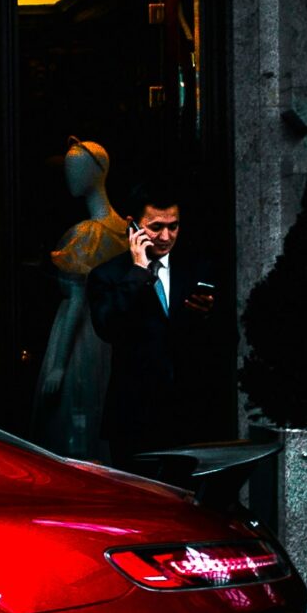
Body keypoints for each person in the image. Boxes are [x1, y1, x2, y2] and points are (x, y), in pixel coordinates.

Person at [86, 175, 221, 465]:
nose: (166, 236)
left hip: (188, 416)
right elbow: (107, 327)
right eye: (156, 227)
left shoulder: (197, 269)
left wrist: (208, 316)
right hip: (133, 418)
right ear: (132, 225)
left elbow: (223, 340)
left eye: (173, 226)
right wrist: (138, 271)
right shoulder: (107, 276)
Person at [33, 138, 126, 459]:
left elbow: (75, 299)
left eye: (76, 169)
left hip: (81, 334)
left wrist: (58, 365)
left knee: (78, 406)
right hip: (105, 330)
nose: (70, 177)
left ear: (95, 172)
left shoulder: (90, 234)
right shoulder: (123, 229)